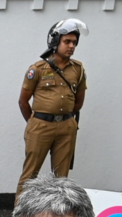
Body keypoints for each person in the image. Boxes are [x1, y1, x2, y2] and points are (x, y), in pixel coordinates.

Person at [15, 19, 88, 200]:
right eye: (67, 42)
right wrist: (35, 122)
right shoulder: (37, 69)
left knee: (61, 180)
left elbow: (78, 101)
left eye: (74, 43)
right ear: (55, 42)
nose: (71, 46)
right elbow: (23, 101)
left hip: (66, 127)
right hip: (40, 126)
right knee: (30, 175)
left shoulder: (77, 69)